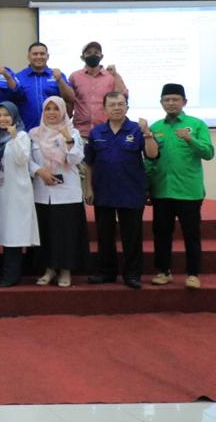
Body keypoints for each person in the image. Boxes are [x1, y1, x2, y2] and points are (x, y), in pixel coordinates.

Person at [84, 92, 158, 289]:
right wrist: (88, 188)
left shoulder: (137, 129)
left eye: (120, 104)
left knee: (131, 236)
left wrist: (148, 133)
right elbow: (89, 163)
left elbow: (152, 155)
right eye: (112, 104)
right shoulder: (96, 132)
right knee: (104, 235)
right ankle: (106, 272)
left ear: (127, 107)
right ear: (105, 108)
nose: (117, 107)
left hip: (131, 190)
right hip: (103, 190)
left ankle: (132, 274)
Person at [146, 83, 214, 290]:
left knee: (191, 235)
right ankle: (163, 271)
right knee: (161, 234)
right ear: (161, 103)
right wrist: (147, 185)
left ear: (184, 102)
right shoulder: (155, 127)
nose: (171, 103)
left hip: (189, 191)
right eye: (166, 100)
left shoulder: (197, 124)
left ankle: (193, 274)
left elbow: (208, 153)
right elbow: (150, 159)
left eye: (175, 99)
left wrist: (190, 139)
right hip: (162, 190)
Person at [29, 96, 88, 288]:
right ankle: (49, 269)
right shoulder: (34, 134)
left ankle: (65, 270)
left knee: (66, 234)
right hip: (42, 191)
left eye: (56, 109)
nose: (52, 113)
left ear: (63, 112)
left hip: (67, 193)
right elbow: (27, 159)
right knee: (46, 232)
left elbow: (75, 159)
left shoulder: (73, 132)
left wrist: (68, 139)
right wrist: (39, 171)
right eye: (48, 109)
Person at [0, 102, 39, 287]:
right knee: (5, 231)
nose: (2, 118)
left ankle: (11, 275)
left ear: (14, 116)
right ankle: (8, 272)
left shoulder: (22, 135)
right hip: (0, 192)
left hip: (17, 192)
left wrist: (15, 137)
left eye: (6, 115)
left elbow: (22, 159)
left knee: (14, 233)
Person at [69, 41, 128, 138]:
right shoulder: (74, 77)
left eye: (96, 53)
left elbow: (123, 96)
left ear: (101, 56)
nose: (93, 55)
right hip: (80, 133)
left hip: (106, 133)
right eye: (89, 53)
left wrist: (115, 75)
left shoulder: (111, 76)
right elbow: (69, 101)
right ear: (82, 57)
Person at [15, 42, 75, 129]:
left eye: (42, 54)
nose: (39, 57)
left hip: (54, 131)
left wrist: (60, 80)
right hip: (27, 129)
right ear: (29, 56)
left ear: (47, 56)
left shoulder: (58, 75)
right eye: (35, 54)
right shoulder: (19, 77)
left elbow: (70, 98)